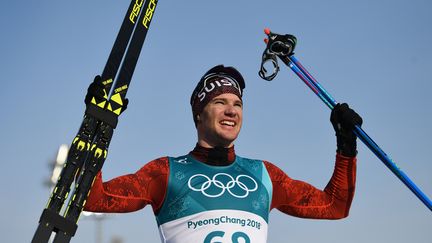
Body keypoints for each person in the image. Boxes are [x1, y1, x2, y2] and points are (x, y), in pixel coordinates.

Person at [84, 64, 362, 243]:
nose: (231, 111)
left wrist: (346, 145)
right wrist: (96, 129)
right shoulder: (166, 172)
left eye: (237, 104)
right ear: (198, 115)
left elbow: (334, 206)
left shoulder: (264, 175)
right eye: (220, 102)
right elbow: (94, 200)